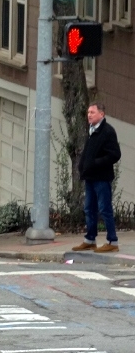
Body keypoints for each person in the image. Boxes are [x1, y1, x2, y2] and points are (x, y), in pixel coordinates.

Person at [73, 102, 122, 253]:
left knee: (104, 208)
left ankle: (112, 241)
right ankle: (90, 239)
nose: (89, 115)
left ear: (102, 114)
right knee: (89, 208)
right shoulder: (92, 130)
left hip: (101, 177)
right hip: (91, 177)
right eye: (88, 112)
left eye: (92, 112)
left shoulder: (107, 131)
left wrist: (95, 163)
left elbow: (115, 154)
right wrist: (83, 166)